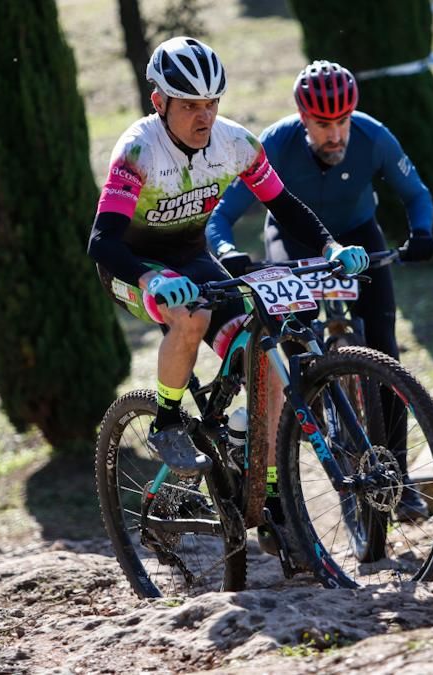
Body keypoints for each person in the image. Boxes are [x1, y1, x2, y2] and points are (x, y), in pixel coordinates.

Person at [88, 38, 368, 478]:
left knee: (263, 340)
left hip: (191, 257)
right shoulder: (137, 150)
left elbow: (284, 205)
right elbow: (102, 242)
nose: (205, 117)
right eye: (190, 105)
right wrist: (150, 281)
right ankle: (166, 423)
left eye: (212, 103)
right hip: (134, 265)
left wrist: (330, 246)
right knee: (191, 316)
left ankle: (256, 462)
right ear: (159, 101)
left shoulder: (236, 143)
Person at [206, 60, 433, 529]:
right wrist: (228, 249)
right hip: (293, 243)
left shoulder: (373, 137)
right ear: (301, 116)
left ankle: (400, 477)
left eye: (342, 122)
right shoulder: (273, 143)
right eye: (321, 124)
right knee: (296, 351)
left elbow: (416, 193)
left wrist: (422, 232)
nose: (334, 135)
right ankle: (296, 454)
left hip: (358, 238)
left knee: (385, 351)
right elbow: (220, 217)